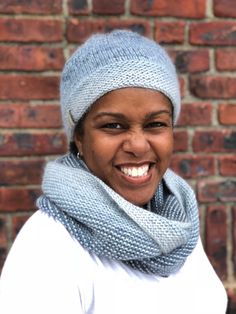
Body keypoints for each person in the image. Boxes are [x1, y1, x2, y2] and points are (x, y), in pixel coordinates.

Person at [0, 30, 227, 314]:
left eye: (155, 124)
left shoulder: (176, 222)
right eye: (113, 126)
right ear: (79, 137)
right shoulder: (48, 248)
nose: (137, 145)